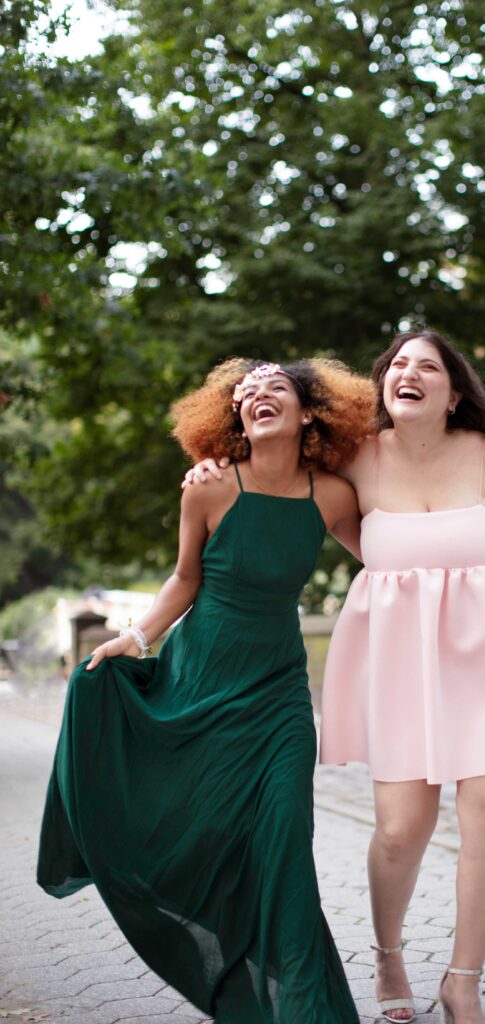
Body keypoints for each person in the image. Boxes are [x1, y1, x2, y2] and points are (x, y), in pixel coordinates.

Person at [185, 330, 485, 1024]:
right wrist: (208, 468)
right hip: (402, 666)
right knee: (401, 829)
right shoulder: (353, 461)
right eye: (396, 365)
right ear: (380, 386)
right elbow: (277, 469)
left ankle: (461, 982)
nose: (406, 373)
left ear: (454, 391)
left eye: (426, 366)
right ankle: (387, 954)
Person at [37, 357, 375, 1024]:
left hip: (278, 696)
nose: (257, 396)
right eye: (246, 393)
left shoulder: (331, 495)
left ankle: (306, 1008)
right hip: (201, 682)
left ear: (309, 413)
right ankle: (241, 977)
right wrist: (133, 639)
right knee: (209, 832)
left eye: (274, 387)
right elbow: (185, 580)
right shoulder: (209, 488)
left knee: (284, 836)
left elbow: (386, 555)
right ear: (235, 418)